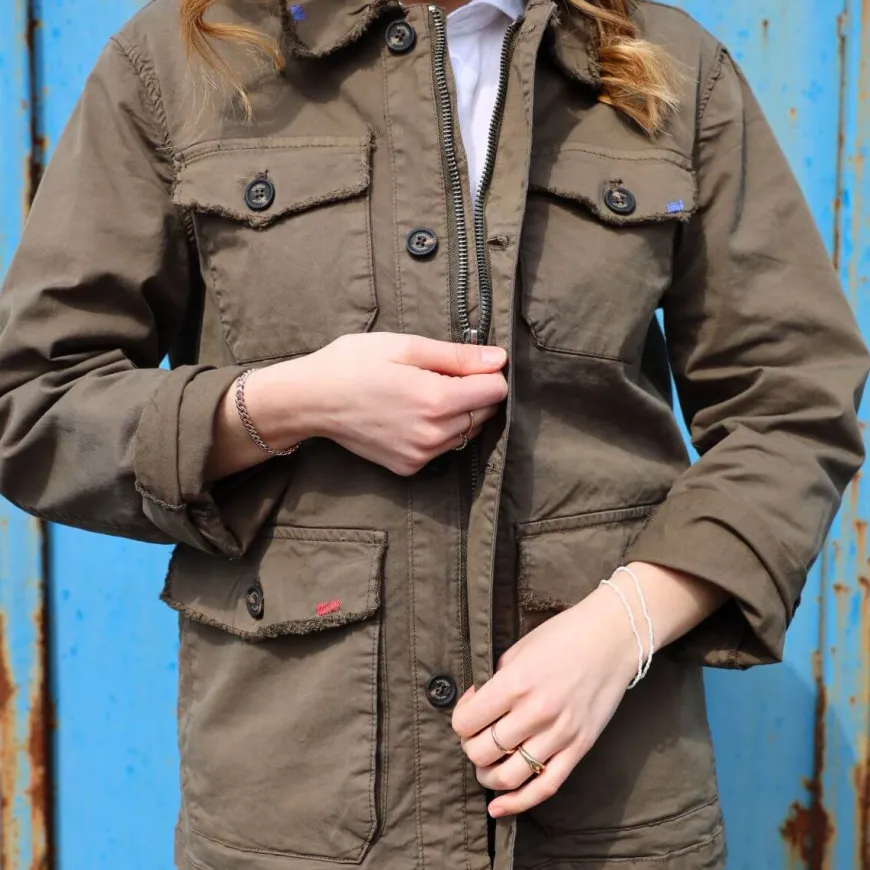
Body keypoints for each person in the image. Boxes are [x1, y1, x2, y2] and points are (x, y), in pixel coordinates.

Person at [0, 0, 866, 867]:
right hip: (295, 825)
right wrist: (290, 403)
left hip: (607, 817)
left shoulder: (669, 66)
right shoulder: (181, 60)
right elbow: (34, 404)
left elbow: (793, 406)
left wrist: (624, 626)